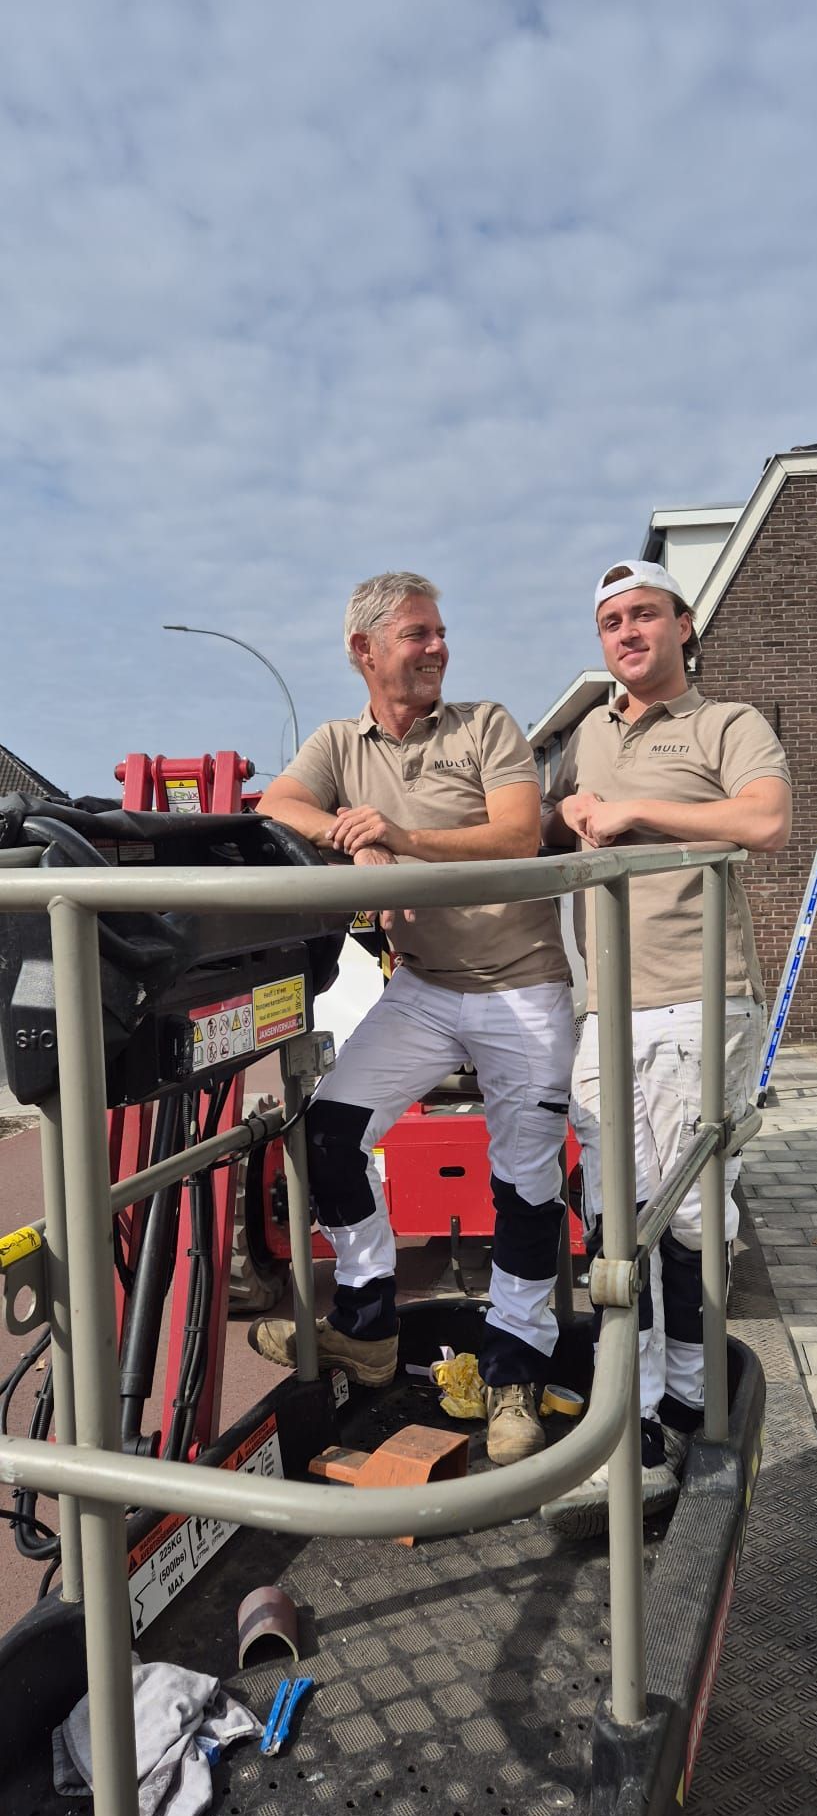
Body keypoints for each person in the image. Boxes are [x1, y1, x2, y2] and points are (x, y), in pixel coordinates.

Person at [249, 571, 575, 1466]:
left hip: (519, 986)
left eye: (439, 633)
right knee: (328, 1136)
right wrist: (346, 837)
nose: (437, 649)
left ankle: (514, 1374)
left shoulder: (485, 726)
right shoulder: (337, 741)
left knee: (526, 1183)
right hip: (426, 987)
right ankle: (367, 1323)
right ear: (364, 651)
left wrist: (398, 840)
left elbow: (517, 835)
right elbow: (278, 804)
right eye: (416, 635)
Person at [540, 559, 791, 1531]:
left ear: (685, 625)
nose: (626, 631)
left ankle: (691, 1402)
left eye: (644, 613)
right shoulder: (588, 735)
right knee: (616, 1219)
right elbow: (550, 836)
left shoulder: (726, 723)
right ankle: (638, 1420)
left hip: (697, 1000)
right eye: (609, 620)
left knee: (688, 1215)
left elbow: (765, 820)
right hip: (606, 1007)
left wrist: (637, 811)